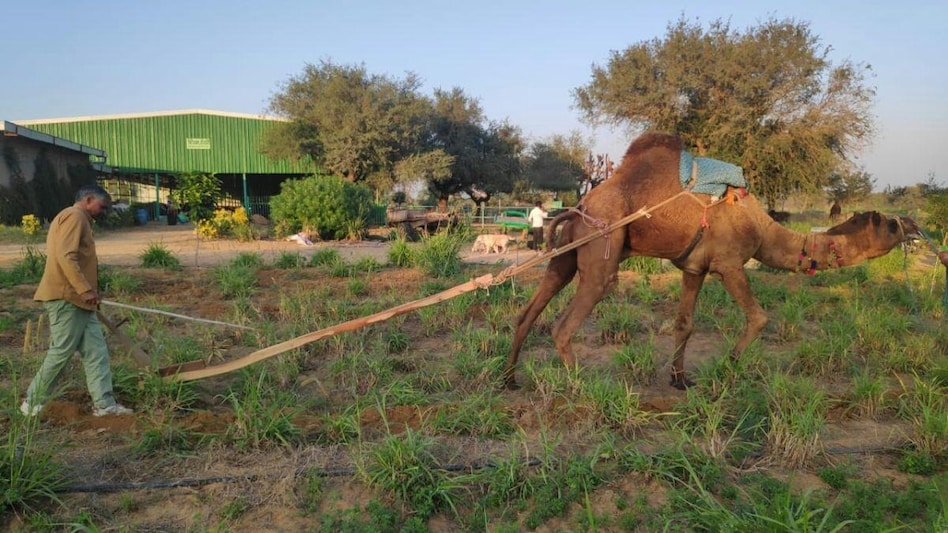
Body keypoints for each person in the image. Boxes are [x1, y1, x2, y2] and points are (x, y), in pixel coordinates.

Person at [20, 184, 133, 417]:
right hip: (67, 297)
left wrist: (87, 292)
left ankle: (104, 405)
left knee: (96, 352)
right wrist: (84, 290)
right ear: (89, 199)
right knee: (61, 351)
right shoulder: (75, 216)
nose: (103, 211)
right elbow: (66, 256)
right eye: (102, 206)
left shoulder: (75, 217)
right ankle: (32, 403)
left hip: (78, 300)